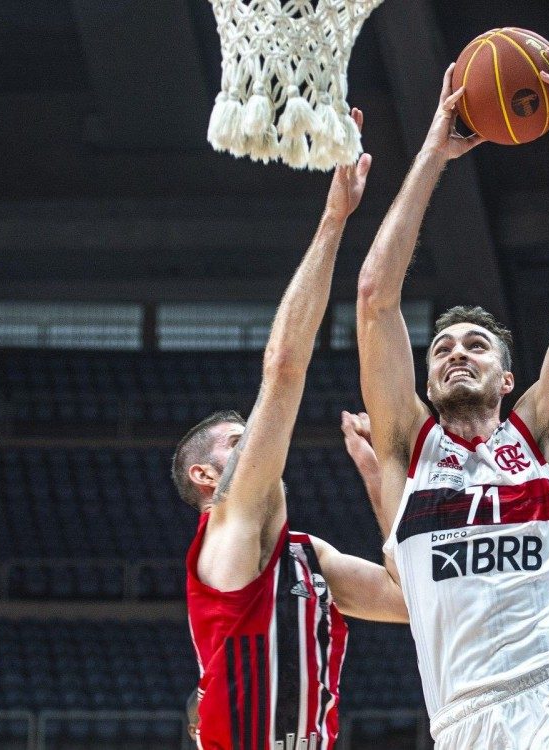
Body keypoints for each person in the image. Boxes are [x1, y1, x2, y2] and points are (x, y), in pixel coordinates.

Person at [355, 45, 549, 749]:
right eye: (443, 349)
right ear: (424, 381)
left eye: (476, 347)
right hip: (464, 720)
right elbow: (374, 300)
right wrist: (432, 154)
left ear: (509, 380)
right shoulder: (407, 449)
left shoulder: (539, 435)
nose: (455, 354)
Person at [174, 110, 407, 750]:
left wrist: (377, 476)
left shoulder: (311, 557)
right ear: (206, 475)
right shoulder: (226, 532)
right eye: (236, 440)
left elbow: (413, 599)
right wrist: (333, 222)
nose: (255, 442)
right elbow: (282, 371)